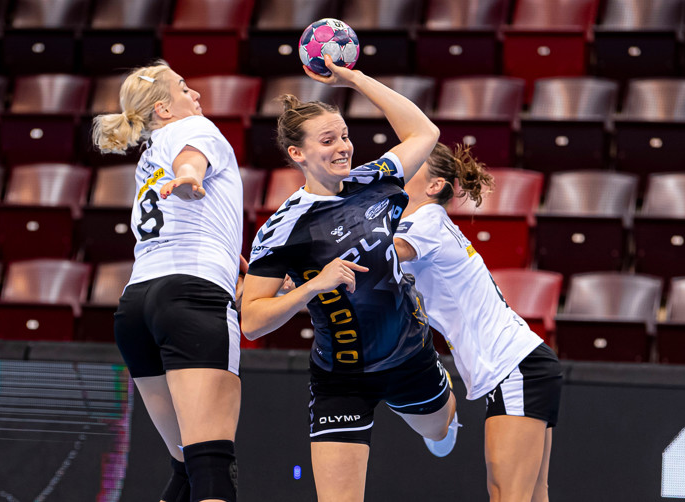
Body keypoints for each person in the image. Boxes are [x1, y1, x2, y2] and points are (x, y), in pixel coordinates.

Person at [240, 55, 458, 502]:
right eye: (328, 140)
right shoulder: (282, 230)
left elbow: (425, 133)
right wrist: (311, 286)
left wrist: (354, 79)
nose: (343, 147)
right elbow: (252, 322)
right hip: (341, 376)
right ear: (297, 154)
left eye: (344, 136)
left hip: (408, 356)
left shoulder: (373, 179)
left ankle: (442, 422)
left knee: (440, 431)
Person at [92, 61, 243, 502]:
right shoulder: (194, 127)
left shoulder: (148, 158)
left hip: (136, 307)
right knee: (210, 463)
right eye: (183, 88)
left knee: (185, 466)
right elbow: (191, 160)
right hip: (190, 297)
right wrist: (190, 177)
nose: (195, 94)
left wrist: (228, 250)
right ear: (163, 108)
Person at [393, 142, 563, 502]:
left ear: (434, 185)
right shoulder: (427, 223)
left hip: (515, 365)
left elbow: (384, 252)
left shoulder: (426, 219)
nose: (400, 165)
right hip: (523, 365)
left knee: (507, 495)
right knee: (530, 495)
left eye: (413, 162)